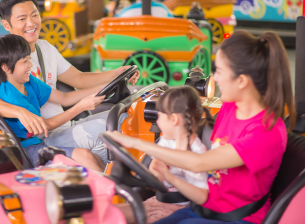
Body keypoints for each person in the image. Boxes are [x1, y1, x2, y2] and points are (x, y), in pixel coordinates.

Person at [108, 30, 296, 224]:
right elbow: (211, 182)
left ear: (241, 81)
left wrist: (134, 143)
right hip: (203, 206)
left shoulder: (266, 132)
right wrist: (169, 180)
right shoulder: (231, 108)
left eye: (220, 72)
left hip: (237, 219)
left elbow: (200, 163)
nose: (215, 78)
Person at [0, 0, 139, 165]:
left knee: (122, 116)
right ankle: (111, 180)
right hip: (46, 137)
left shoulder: (45, 48)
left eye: (34, 15)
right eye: (22, 19)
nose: (31, 23)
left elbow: (78, 79)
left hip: (65, 125)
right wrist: (20, 112)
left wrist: (115, 74)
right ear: (6, 24)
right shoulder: (4, 59)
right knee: (104, 130)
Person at [0, 34, 105, 172]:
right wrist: (80, 107)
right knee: (85, 155)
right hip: (26, 151)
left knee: (91, 156)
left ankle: (115, 186)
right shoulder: (12, 98)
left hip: (40, 141)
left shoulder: (29, 81)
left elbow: (63, 97)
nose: (30, 65)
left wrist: (101, 88)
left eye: (29, 59)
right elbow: (44, 126)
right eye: (24, 62)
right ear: (6, 67)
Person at [118, 86, 214, 224]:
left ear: (173, 119)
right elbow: (156, 162)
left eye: (159, 116)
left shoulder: (196, 153)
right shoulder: (167, 139)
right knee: (104, 212)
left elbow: (201, 196)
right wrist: (155, 175)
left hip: (179, 209)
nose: (157, 121)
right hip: (158, 200)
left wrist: (169, 177)